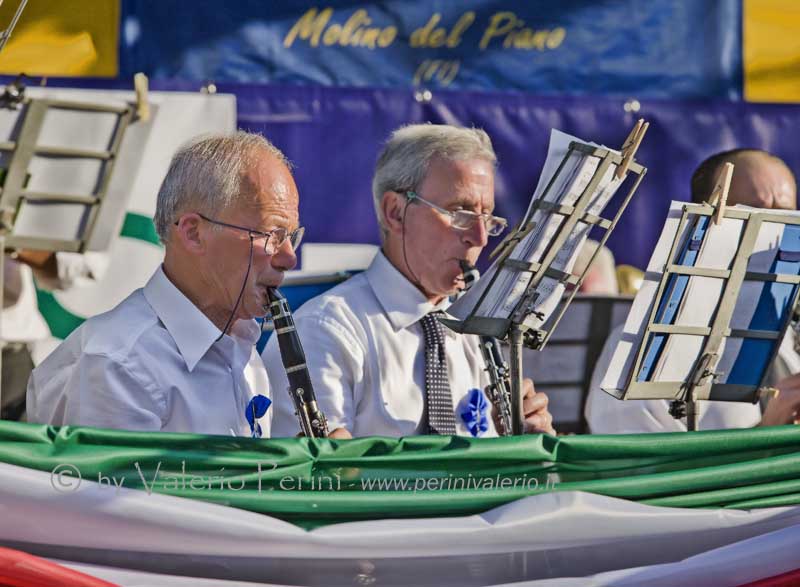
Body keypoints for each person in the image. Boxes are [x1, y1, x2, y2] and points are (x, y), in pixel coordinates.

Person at [264, 124, 555, 438]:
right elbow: (321, 476)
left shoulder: (478, 329)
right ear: (395, 212)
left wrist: (526, 448)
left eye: (487, 217)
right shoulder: (326, 330)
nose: (479, 238)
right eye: (460, 213)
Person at [27, 131, 305, 436]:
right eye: (272, 235)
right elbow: (118, 485)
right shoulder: (117, 366)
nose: (288, 258)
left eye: (290, 237)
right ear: (193, 233)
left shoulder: (240, 345)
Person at [585, 148, 800, 433]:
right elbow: (634, 471)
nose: (775, 239)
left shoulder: (786, 332)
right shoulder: (639, 350)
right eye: (753, 216)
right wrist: (768, 432)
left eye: (786, 220)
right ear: (705, 223)